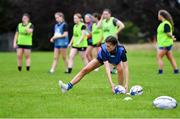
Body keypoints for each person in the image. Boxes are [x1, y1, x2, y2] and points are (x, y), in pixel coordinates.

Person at [59, 36, 129, 94]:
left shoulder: (121, 50)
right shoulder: (104, 49)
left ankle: (120, 89)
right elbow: (107, 68)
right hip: (101, 59)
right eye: (106, 45)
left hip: (116, 60)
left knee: (120, 69)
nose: (106, 47)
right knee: (85, 69)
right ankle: (67, 87)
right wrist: (111, 84)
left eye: (109, 46)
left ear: (114, 45)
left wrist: (127, 83)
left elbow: (126, 67)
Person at [97, 8, 125, 74]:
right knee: (107, 56)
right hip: (105, 42)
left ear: (110, 14)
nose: (105, 15)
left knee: (117, 56)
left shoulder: (113, 20)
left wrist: (116, 33)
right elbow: (98, 27)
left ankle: (118, 68)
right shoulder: (103, 21)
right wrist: (101, 19)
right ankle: (112, 70)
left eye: (106, 14)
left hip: (113, 41)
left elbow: (122, 25)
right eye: (103, 14)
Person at [157, 9, 179, 74]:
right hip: (166, 43)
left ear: (161, 16)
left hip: (165, 44)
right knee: (170, 57)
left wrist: (172, 37)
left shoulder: (166, 24)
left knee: (159, 57)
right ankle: (176, 71)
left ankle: (160, 72)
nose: (158, 16)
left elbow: (168, 33)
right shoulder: (163, 23)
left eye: (158, 14)